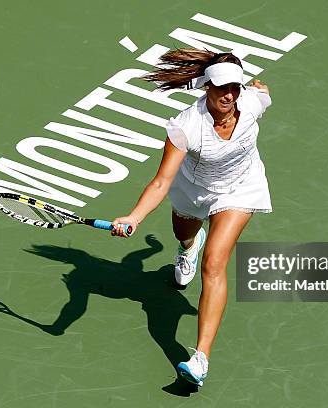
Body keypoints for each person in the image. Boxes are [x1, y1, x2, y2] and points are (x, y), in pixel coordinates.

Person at [110, 48, 272, 387]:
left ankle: (200, 358)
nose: (229, 95)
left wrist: (259, 89)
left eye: (235, 88)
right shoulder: (186, 127)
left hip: (240, 188)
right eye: (221, 88)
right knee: (186, 234)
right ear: (206, 87)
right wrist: (135, 216)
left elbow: (262, 94)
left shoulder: (251, 103)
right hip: (193, 190)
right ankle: (187, 248)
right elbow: (161, 181)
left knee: (214, 264)